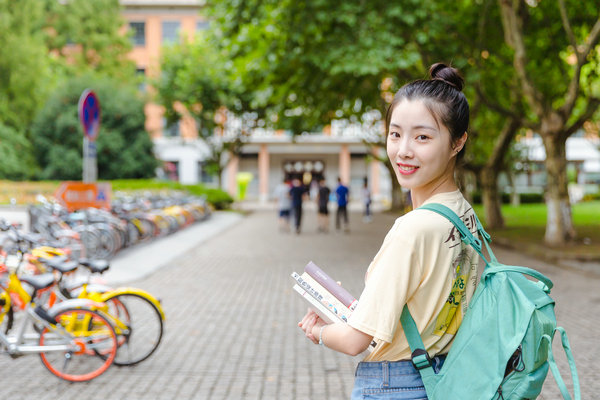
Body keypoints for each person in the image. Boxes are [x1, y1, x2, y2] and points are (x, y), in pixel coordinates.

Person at [298, 63, 479, 399]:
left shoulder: (412, 229)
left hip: (397, 384)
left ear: (457, 143)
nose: (403, 150)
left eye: (422, 136)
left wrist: (320, 331)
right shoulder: (464, 213)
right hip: (447, 377)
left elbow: (355, 341)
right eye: (395, 134)